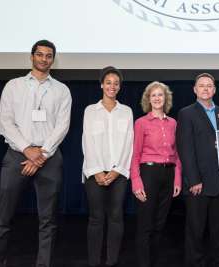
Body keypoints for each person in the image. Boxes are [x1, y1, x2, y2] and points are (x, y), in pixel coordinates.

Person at [0, 40, 72, 267]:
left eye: (49, 56)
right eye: (40, 54)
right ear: (32, 56)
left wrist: (41, 154)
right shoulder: (13, 86)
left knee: (48, 220)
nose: (44, 59)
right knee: (3, 217)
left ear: (52, 60)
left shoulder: (62, 91)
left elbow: (62, 127)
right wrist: (27, 149)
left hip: (50, 158)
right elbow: (5, 123)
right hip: (17, 155)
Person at [176, 73, 219, 267]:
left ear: (214, 90)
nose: (206, 89)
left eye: (209, 86)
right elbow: (185, 149)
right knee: (195, 231)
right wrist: (194, 179)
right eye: (202, 86)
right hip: (198, 184)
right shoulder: (186, 113)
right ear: (195, 90)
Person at [82, 66, 133, 267]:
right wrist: (96, 171)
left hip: (118, 173)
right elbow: (87, 141)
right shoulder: (90, 111)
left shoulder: (126, 112)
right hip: (94, 172)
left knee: (116, 217)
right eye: (109, 82)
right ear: (102, 84)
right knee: (96, 218)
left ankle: (112, 261)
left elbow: (129, 143)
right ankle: (94, 262)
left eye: (116, 83)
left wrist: (116, 170)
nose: (112, 86)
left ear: (119, 87)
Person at [130, 81, 182, 267]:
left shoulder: (173, 123)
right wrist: (136, 182)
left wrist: (177, 179)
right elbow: (135, 155)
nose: (157, 98)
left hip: (168, 174)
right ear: (148, 99)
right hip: (148, 174)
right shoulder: (141, 123)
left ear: (165, 98)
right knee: (145, 225)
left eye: (160, 95)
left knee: (160, 225)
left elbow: (177, 155)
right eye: (154, 95)